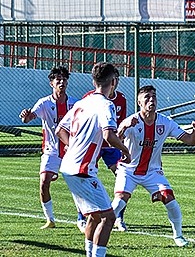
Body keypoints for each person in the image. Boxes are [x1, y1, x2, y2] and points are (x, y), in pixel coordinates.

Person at [111, 85, 195, 247]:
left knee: (170, 199)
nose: (151, 99)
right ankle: (98, 229)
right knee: (120, 202)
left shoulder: (165, 122)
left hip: (152, 172)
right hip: (128, 170)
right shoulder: (131, 121)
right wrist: (124, 127)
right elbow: (113, 141)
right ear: (139, 102)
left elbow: (190, 141)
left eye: (154, 96)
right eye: (147, 97)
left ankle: (178, 236)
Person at [56, 62, 131, 257]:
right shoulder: (107, 104)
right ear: (113, 82)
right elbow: (109, 136)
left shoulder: (83, 102)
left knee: (95, 216)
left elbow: (60, 130)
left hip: (68, 166)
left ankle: (90, 253)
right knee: (109, 217)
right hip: (82, 169)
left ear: (93, 81)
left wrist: (72, 146)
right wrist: (125, 150)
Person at [19, 66, 78, 229]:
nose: (62, 82)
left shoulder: (75, 104)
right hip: (51, 151)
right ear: (51, 83)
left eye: (64, 79)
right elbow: (30, 117)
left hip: (70, 152)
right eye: (58, 79)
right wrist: (26, 116)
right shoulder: (44, 103)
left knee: (79, 185)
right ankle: (50, 220)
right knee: (44, 183)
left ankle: (83, 217)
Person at [77, 69, 129, 232]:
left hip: (111, 146)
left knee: (123, 178)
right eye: (113, 78)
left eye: (117, 78)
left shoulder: (121, 99)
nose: (116, 81)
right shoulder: (89, 98)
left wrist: (121, 139)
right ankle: (82, 217)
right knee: (85, 178)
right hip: (94, 145)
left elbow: (121, 124)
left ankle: (118, 217)